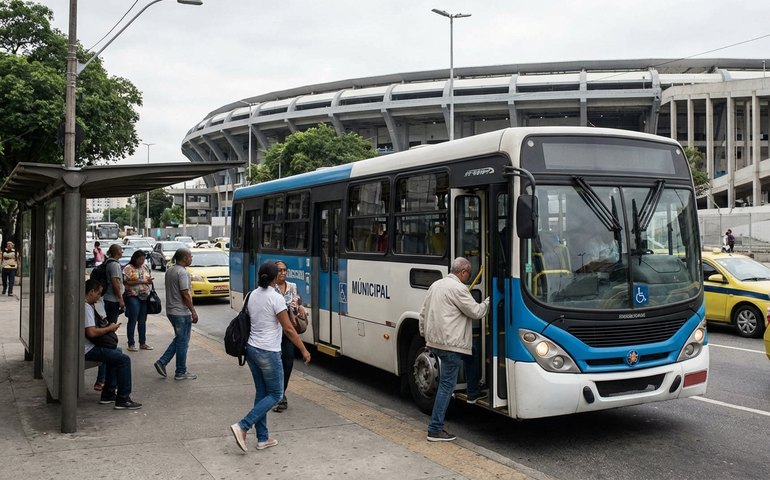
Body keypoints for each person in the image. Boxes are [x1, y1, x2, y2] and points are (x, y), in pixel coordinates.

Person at [229, 261, 311, 452]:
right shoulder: (275, 298)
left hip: (251, 350)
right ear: (274, 277)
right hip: (268, 351)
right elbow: (289, 329)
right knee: (276, 394)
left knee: (262, 393)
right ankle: (243, 426)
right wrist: (304, 350)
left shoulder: (250, 295)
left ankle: (262, 439)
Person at [419, 257, 490, 442]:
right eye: (468, 274)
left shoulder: (436, 285)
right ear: (463, 272)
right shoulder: (458, 288)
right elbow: (476, 312)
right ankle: (435, 429)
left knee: (472, 352)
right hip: (450, 345)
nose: (468, 277)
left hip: (436, 341)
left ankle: (473, 392)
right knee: (446, 386)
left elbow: (423, 313)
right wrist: (489, 302)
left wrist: (425, 336)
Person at [84, 279, 142, 410]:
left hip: (86, 346)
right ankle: (123, 398)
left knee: (118, 352)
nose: (99, 297)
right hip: (87, 349)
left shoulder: (86, 305)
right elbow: (92, 332)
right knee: (124, 360)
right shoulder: (86, 307)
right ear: (91, 292)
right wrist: (110, 328)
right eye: (98, 293)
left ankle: (108, 393)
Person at [154, 248, 198, 380]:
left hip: (171, 311)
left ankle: (163, 362)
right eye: (190, 256)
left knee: (180, 340)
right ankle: (180, 371)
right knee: (183, 342)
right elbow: (185, 293)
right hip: (181, 313)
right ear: (184, 258)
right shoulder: (182, 272)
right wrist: (193, 311)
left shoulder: (170, 270)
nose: (191, 259)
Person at [271, 260, 307, 413]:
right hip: (273, 332)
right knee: (275, 366)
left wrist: (300, 307)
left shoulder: (292, 286)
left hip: (289, 331)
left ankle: (281, 393)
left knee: (288, 363)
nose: (283, 273)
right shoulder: (270, 289)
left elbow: (297, 301)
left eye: (285, 270)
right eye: (279, 270)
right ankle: (279, 396)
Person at [123, 250, 154, 352]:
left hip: (144, 296)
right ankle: (131, 343)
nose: (142, 261)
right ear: (135, 258)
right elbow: (127, 281)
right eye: (140, 259)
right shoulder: (128, 268)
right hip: (133, 295)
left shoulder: (144, 267)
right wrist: (143, 281)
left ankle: (143, 342)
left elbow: (147, 277)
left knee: (142, 320)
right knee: (133, 319)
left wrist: (148, 281)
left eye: (143, 259)